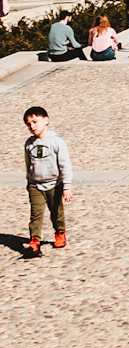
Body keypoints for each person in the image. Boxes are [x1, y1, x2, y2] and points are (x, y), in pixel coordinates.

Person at [23, 104, 72, 255]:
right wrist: (29, 181)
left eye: (35, 122)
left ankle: (60, 232)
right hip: (35, 184)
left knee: (56, 211)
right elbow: (28, 164)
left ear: (46, 120)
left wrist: (67, 186)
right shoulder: (29, 144)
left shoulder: (56, 141)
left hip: (54, 184)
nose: (32, 126)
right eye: (28, 124)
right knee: (35, 214)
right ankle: (34, 241)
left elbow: (65, 164)